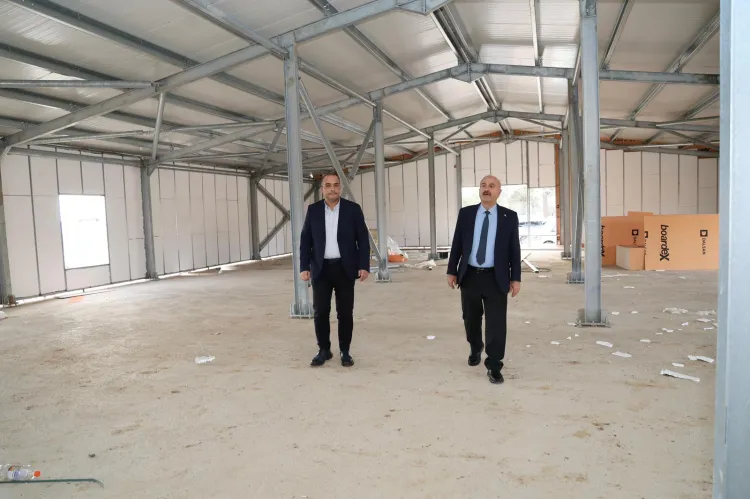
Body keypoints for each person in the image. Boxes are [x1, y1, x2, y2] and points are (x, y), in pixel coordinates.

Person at [446, 175, 522, 384]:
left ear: (499, 192)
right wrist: (451, 270)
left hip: (496, 277)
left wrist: (515, 278)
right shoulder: (466, 214)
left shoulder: (509, 217)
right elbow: (457, 244)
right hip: (470, 275)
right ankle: (475, 346)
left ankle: (494, 365)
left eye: (492, 186)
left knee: (496, 323)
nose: (486, 189)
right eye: (483, 185)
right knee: (470, 318)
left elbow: (514, 249)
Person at [300, 171, 370, 368]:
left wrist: (363, 265)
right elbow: (305, 240)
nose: (332, 189)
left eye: (336, 185)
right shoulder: (313, 210)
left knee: (345, 313)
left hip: (345, 268)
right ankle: (324, 350)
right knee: (321, 311)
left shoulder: (353, 210)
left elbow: (363, 239)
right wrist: (304, 266)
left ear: (340, 188)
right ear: (322, 189)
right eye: (328, 185)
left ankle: (345, 350)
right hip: (320, 269)